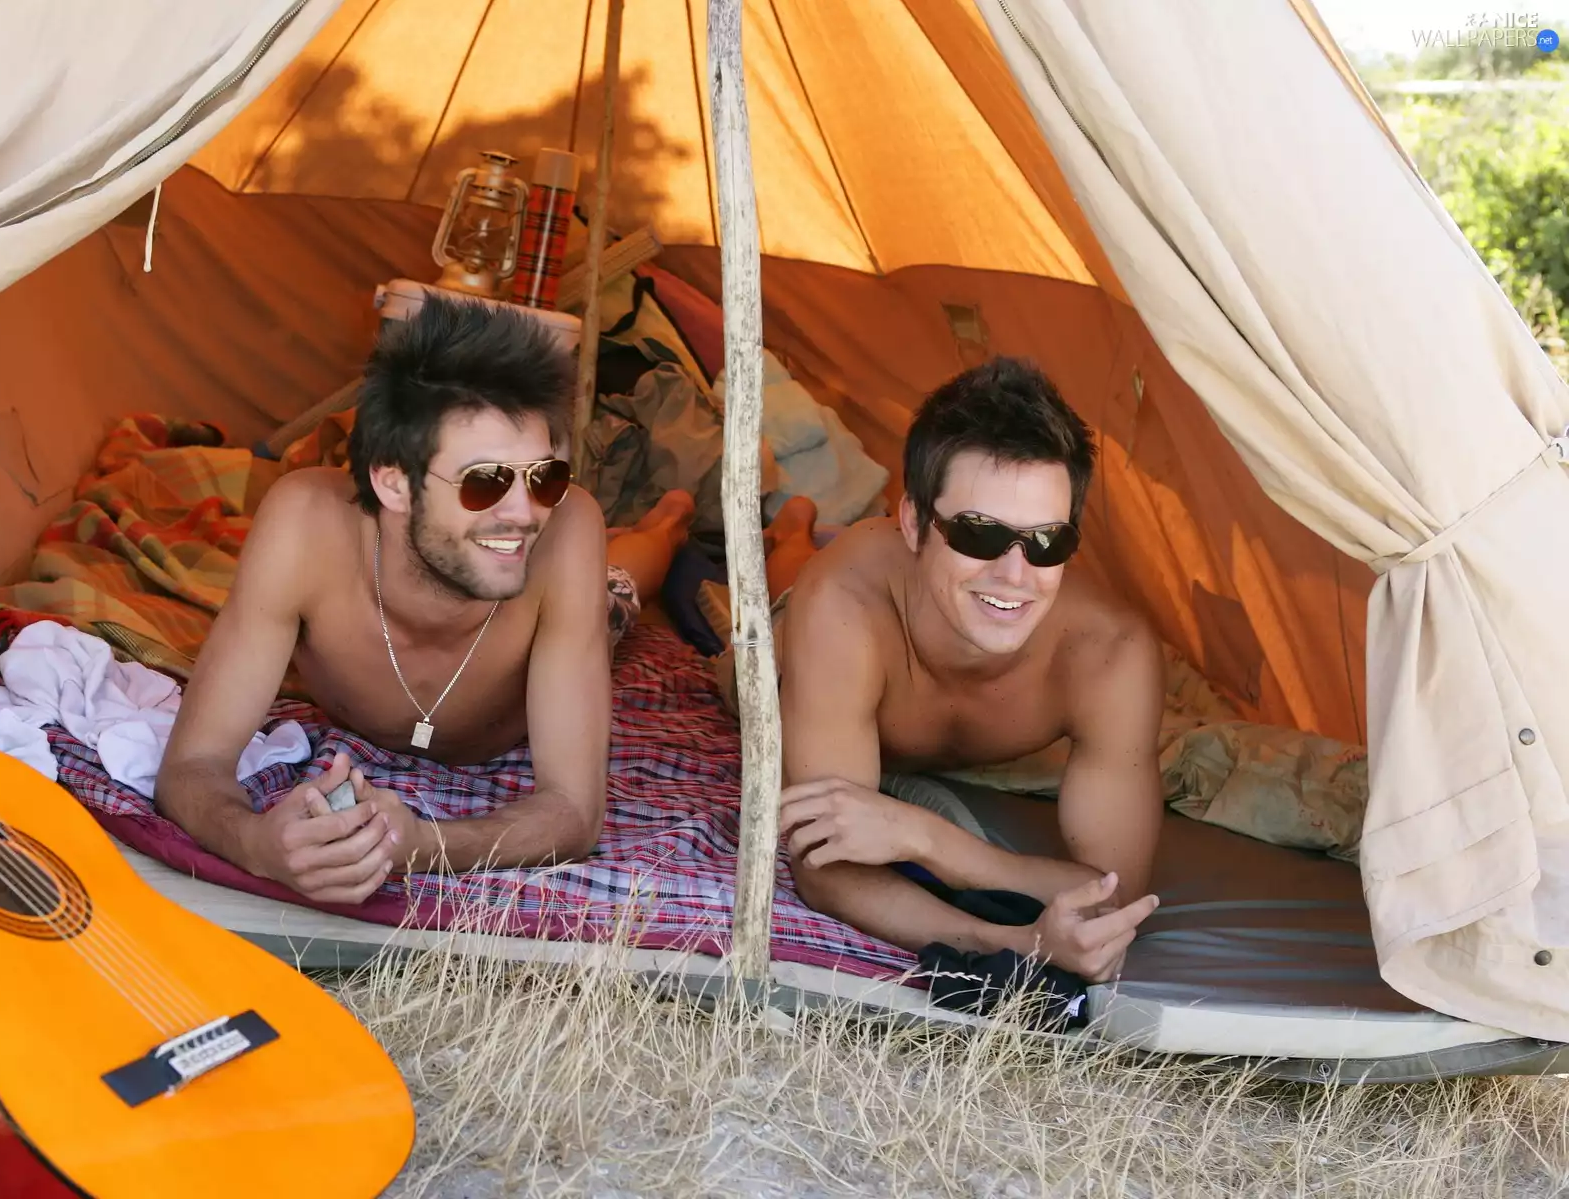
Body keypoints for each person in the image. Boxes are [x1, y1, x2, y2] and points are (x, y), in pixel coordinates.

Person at [155, 294, 694, 905]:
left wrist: (421, 846)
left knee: (619, 591)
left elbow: (573, 811)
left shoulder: (567, 529)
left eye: (544, 478)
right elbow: (190, 767)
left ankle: (671, 522)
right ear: (393, 483)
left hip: (578, 607)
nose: (523, 512)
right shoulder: (304, 524)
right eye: (485, 482)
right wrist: (258, 844)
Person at [770, 356, 1164, 983]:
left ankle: (796, 528)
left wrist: (924, 838)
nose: (1014, 575)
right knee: (778, 589)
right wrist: (1007, 940)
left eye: (1046, 542)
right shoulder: (845, 608)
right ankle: (791, 528)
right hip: (800, 619)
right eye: (979, 534)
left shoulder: (1109, 652)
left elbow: (1112, 896)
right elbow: (825, 865)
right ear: (913, 521)